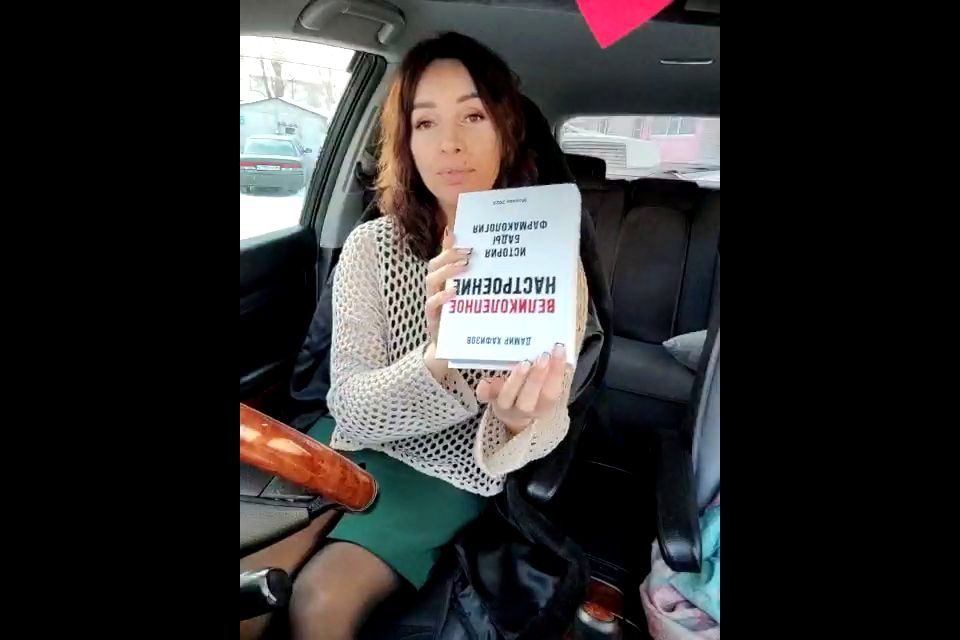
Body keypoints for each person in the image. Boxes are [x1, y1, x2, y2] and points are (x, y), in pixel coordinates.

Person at [289, 31, 589, 640]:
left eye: (473, 116)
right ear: (406, 142)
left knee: (320, 600)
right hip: (346, 442)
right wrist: (435, 359)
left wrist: (517, 422)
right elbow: (349, 405)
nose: (449, 143)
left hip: (450, 467)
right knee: (251, 573)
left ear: (506, 129)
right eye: (425, 123)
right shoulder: (371, 246)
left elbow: (548, 419)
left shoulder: (551, 256)